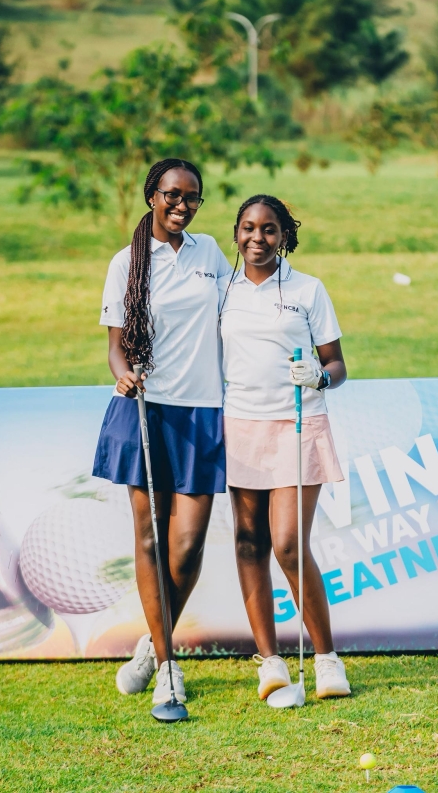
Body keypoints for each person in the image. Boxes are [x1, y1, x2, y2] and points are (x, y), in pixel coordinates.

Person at [92, 158, 230, 706]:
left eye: (192, 197)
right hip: (143, 409)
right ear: (152, 195)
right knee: (148, 539)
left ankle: (153, 645)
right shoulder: (125, 262)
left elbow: (235, 316)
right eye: (172, 194)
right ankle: (169, 668)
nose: (182, 204)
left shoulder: (211, 253)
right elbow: (115, 344)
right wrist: (122, 372)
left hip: (201, 411)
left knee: (188, 545)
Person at [219, 194, 351, 701]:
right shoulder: (223, 291)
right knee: (249, 542)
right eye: (248, 228)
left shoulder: (308, 289)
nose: (258, 238)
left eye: (269, 230)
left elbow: (338, 365)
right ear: (236, 233)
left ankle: (326, 659)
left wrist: (319, 376)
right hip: (240, 426)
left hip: (298, 424)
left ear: (284, 236)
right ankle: (269, 660)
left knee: (289, 544)